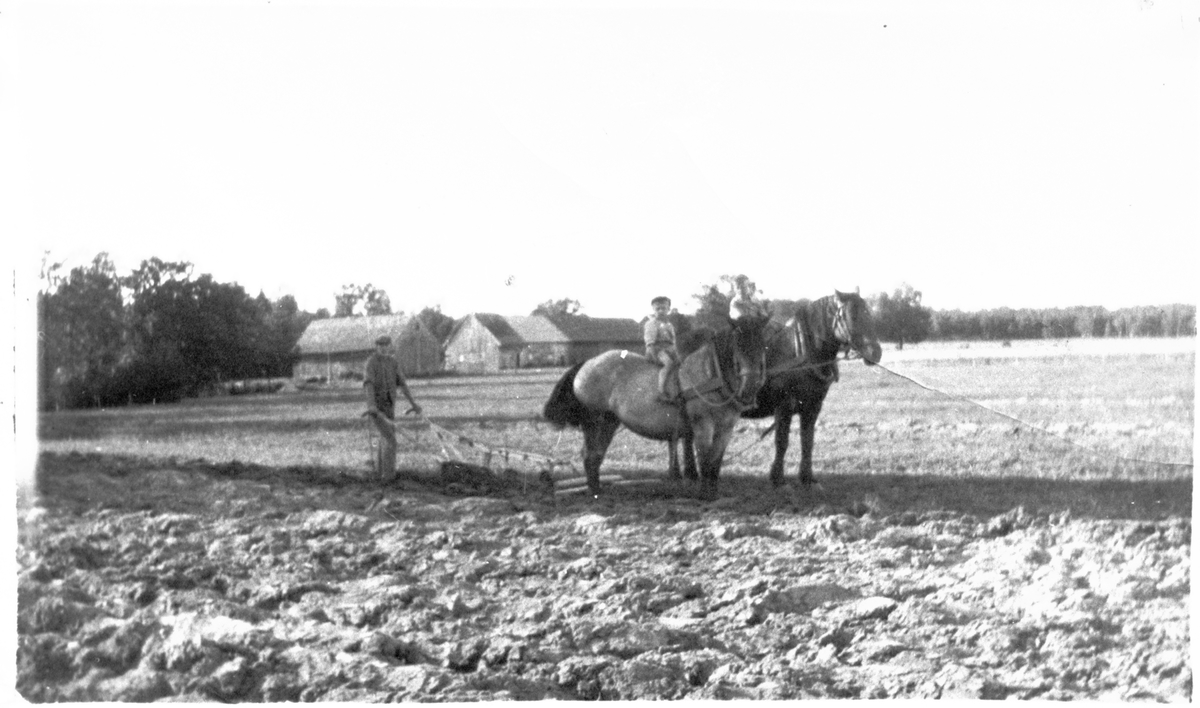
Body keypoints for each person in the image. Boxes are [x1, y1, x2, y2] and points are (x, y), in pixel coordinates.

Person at [364, 335, 422, 480]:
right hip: (377, 409)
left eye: (386, 345)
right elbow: (368, 384)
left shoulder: (393, 362)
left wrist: (413, 404)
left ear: (390, 346)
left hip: (390, 407)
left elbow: (402, 384)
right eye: (380, 345)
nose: (384, 348)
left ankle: (380, 473)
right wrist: (371, 405)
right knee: (391, 440)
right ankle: (388, 478)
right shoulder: (371, 363)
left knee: (386, 439)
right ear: (376, 347)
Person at [644, 296, 680, 403]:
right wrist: (654, 351)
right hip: (656, 350)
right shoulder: (651, 323)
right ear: (653, 310)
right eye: (657, 309)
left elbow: (673, 341)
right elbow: (650, 342)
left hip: (670, 350)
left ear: (668, 310)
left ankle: (677, 388)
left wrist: (675, 351)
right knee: (668, 364)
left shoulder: (669, 325)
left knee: (681, 362)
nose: (660, 311)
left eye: (663, 308)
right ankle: (661, 392)